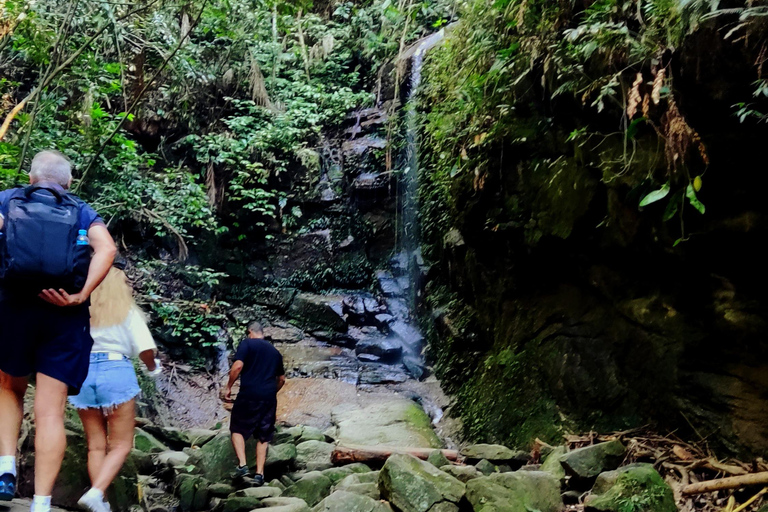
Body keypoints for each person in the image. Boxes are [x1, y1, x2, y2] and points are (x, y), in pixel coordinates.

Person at [0, 150, 117, 512]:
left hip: (13, 308)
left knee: (8, 387)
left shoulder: (8, 199)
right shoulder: (81, 210)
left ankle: (5, 468)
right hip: (64, 314)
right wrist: (81, 294)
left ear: (33, 177)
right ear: (67, 182)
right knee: (50, 412)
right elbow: (107, 249)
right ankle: (41, 503)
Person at [69, 266, 161, 512]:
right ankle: (96, 493)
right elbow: (146, 351)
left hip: (83, 372)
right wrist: (153, 368)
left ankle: (101, 502)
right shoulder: (127, 311)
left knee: (96, 445)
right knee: (121, 445)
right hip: (115, 371)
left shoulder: (79, 310)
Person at [224, 321, 286, 485]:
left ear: (250, 332)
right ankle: (259, 474)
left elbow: (237, 366)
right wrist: (271, 392)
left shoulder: (247, 344)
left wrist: (228, 387)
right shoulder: (275, 352)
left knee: (237, 428)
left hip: (249, 393)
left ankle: (243, 465)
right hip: (269, 397)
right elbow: (281, 379)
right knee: (264, 435)